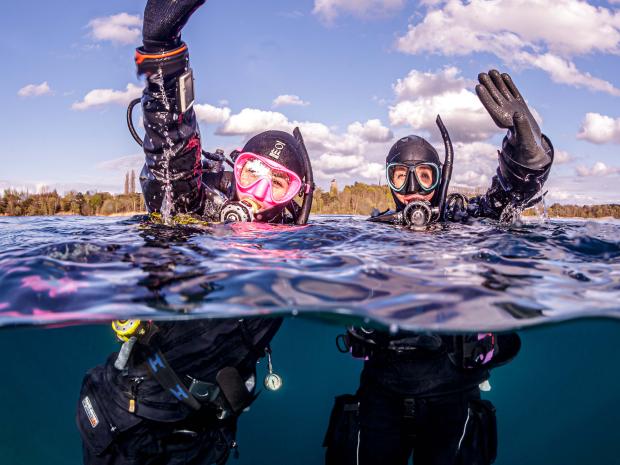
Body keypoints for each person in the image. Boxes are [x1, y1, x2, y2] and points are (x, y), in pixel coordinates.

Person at [76, 1, 312, 464]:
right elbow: (173, 163)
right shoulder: (199, 212)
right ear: (233, 176)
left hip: (208, 435)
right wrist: (163, 56)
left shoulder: (294, 248)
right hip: (133, 422)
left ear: (296, 198)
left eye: (278, 183)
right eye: (250, 174)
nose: (260, 194)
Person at [324, 71, 553, 465]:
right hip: (381, 394)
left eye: (424, 175)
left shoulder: (463, 222)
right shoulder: (371, 236)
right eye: (401, 176)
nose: (412, 187)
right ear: (390, 182)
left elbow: (509, 198)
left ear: (439, 177)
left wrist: (527, 153)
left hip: (453, 395)